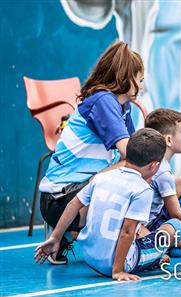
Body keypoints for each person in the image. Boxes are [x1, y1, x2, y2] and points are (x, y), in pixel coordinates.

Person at [38, 40, 144, 264]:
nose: (142, 86)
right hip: (60, 199)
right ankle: (71, 231)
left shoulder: (122, 106)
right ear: (125, 77)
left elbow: (135, 149)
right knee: (130, 169)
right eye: (139, 79)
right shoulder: (104, 101)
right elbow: (132, 155)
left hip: (72, 194)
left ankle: (66, 234)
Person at [35, 128, 181, 281]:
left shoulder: (101, 178)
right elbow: (127, 231)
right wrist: (118, 271)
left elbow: (73, 204)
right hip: (115, 264)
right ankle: (157, 258)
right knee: (175, 226)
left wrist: (55, 238)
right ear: (154, 165)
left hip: (90, 257)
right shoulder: (143, 189)